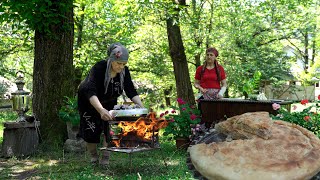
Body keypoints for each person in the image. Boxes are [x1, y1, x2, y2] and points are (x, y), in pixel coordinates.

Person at [77, 42, 144, 167]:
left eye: (124, 64)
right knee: (91, 131)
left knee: (110, 129)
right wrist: (101, 110)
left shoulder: (124, 72)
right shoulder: (99, 68)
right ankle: (93, 156)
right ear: (111, 60)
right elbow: (90, 89)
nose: (121, 67)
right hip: (90, 101)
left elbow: (130, 90)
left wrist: (141, 107)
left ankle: (106, 156)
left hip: (109, 101)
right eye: (119, 63)